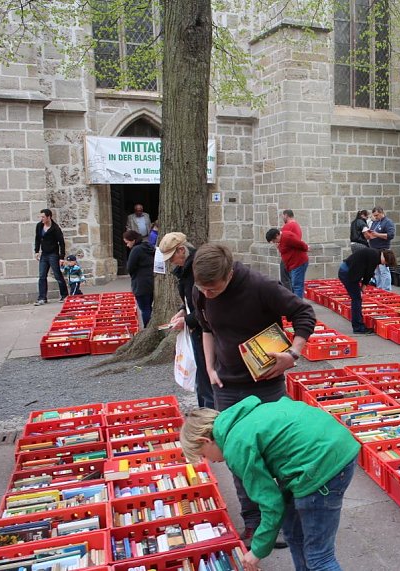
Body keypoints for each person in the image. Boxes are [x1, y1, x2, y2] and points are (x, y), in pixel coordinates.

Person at [192, 243, 316, 548]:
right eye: (202, 288)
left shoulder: (261, 286)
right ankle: (253, 521)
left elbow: (304, 313)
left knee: (277, 455)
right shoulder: (201, 291)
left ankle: (286, 520)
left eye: (213, 288)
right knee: (238, 458)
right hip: (227, 387)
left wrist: (293, 354)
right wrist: (209, 368)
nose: (207, 293)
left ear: (229, 274)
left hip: (265, 385)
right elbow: (207, 329)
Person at [181, 399, 360, 571]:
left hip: (322, 465)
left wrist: (257, 551)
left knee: (319, 558)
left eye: (203, 455)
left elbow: (271, 504)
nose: (210, 461)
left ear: (206, 441)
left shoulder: (236, 447)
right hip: (334, 444)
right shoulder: (239, 419)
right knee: (293, 533)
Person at [159, 232, 213, 409]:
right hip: (197, 327)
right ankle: (204, 411)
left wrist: (187, 320)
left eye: (171, 257)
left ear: (181, 250)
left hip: (206, 329)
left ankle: (210, 414)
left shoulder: (198, 269)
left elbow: (208, 305)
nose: (171, 262)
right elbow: (192, 300)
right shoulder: (186, 269)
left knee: (207, 378)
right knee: (202, 377)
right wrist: (183, 311)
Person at [338, 247, 397, 334]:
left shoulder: (375, 254)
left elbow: (367, 272)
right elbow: (369, 273)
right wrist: (363, 286)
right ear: (385, 258)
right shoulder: (374, 257)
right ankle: (358, 327)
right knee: (356, 299)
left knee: (357, 298)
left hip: (346, 270)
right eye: (386, 263)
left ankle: (358, 324)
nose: (384, 264)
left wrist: (362, 285)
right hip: (348, 273)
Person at [33, 208, 68, 305]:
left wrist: (61, 257)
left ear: (49, 217)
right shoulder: (39, 226)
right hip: (44, 254)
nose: (42, 219)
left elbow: (61, 243)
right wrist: (36, 251)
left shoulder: (55, 228)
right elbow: (37, 238)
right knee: (42, 276)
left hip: (53, 254)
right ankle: (42, 298)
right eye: (41, 217)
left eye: (43, 217)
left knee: (57, 275)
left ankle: (64, 295)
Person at [123, 229, 155, 327]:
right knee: (148, 306)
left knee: (145, 308)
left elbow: (130, 267)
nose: (127, 245)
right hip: (150, 281)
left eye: (127, 242)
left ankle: (147, 327)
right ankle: (149, 325)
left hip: (140, 283)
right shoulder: (148, 247)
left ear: (133, 240)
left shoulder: (136, 250)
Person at [265, 227, 309, 299]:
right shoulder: (281, 240)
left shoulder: (287, 237)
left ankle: (298, 304)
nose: (275, 242)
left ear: (277, 235)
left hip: (298, 263)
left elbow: (300, 244)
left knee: (297, 285)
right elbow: (284, 250)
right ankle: (296, 302)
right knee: (293, 285)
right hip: (292, 264)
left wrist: (306, 248)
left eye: (274, 240)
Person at [364, 206, 396, 290]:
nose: (375, 217)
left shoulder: (388, 222)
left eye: (377, 215)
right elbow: (373, 233)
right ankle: (379, 288)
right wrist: (369, 235)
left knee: (384, 271)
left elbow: (390, 235)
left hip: (383, 249)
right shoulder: (375, 222)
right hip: (374, 249)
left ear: (382, 213)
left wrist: (377, 234)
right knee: (377, 271)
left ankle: (386, 289)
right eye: (374, 215)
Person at [279, 209, 302, 291]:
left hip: (288, 256)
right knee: (292, 279)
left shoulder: (288, 226)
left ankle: (288, 296)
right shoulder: (297, 225)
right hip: (294, 256)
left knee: (285, 279)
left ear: (286, 215)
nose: (282, 218)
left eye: (282, 216)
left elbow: (280, 240)